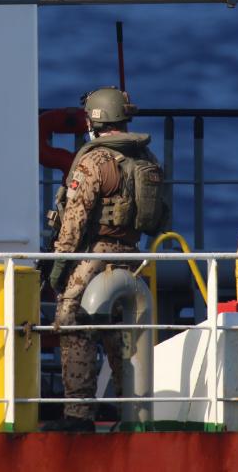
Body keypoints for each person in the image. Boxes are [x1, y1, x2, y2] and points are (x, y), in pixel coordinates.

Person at [43, 86, 163, 432]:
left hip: (94, 257)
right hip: (131, 256)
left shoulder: (93, 161)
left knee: (72, 323)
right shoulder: (146, 159)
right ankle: (132, 412)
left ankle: (78, 415)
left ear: (95, 119)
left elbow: (74, 223)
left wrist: (58, 267)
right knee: (120, 335)